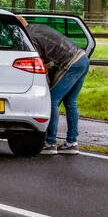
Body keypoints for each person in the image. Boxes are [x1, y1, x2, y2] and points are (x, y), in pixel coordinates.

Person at [18, 16, 89, 155]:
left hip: (70, 63)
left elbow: (40, 62)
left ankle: (50, 142)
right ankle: (72, 142)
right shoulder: (39, 27)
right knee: (70, 102)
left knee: (52, 101)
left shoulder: (30, 37)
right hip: (82, 58)